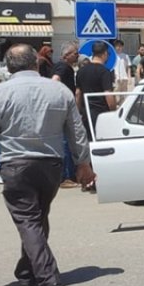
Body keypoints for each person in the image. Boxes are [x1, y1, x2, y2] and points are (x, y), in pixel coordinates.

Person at [0, 44, 95, 286]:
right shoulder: (59, 91)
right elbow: (76, 130)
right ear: (36, 63)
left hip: (16, 166)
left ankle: (48, 280)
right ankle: (26, 270)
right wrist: (83, 163)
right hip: (51, 167)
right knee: (37, 218)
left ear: (9, 67)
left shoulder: (0, 93)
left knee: (29, 221)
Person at [75, 40, 116, 144]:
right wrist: (113, 112)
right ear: (105, 54)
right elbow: (108, 95)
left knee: (88, 143)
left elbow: (78, 94)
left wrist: (78, 112)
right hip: (101, 114)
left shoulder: (80, 71)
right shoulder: (104, 72)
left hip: (86, 113)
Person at [51, 41, 79, 188]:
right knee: (66, 142)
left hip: (60, 109)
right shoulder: (63, 67)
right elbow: (55, 81)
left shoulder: (58, 65)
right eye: (75, 53)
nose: (78, 56)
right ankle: (66, 177)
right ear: (67, 55)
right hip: (63, 109)